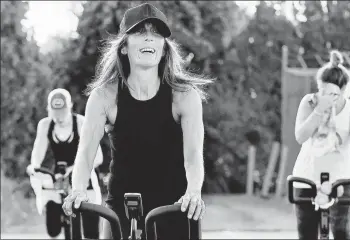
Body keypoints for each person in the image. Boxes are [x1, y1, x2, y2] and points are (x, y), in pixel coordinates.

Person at [62, 3, 214, 240]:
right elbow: (85, 152)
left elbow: (193, 156)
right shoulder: (105, 96)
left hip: (172, 205)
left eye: (156, 34)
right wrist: (79, 189)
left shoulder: (184, 97)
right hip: (121, 204)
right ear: (124, 47)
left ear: (164, 48)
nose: (149, 39)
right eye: (140, 33)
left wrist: (193, 191)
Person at [292, 50, 350, 240]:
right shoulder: (309, 103)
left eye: (333, 93)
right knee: (306, 233)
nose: (327, 96)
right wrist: (318, 111)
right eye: (322, 90)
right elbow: (300, 136)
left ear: (344, 91)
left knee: (341, 232)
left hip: (340, 179)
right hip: (307, 176)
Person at [26, 88, 103, 239]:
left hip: (83, 173)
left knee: (91, 231)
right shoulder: (46, 125)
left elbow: (97, 156)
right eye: (55, 113)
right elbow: (37, 153)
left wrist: (75, 169)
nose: (59, 118)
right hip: (59, 176)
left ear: (69, 107)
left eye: (62, 112)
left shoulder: (81, 123)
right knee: (53, 228)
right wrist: (34, 167)